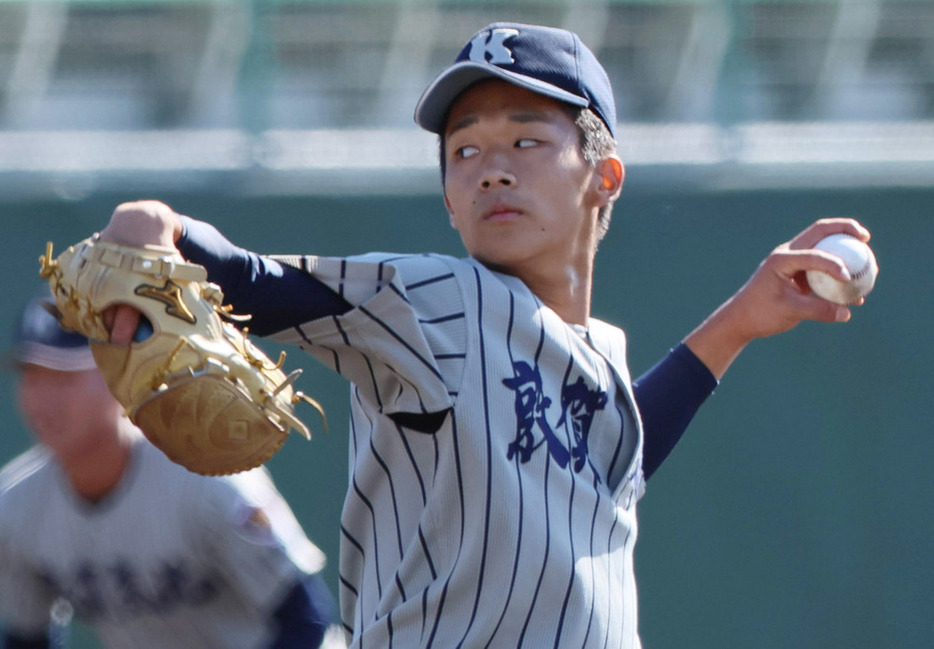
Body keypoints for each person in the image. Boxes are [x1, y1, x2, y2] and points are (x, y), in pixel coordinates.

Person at [74, 22, 870, 649]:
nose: (492, 167)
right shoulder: (434, 301)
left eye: (526, 140)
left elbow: (611, 468)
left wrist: (740, 321)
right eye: (465, 151)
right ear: (450, 200)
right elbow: (260, 283)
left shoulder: (600, 359)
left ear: (605, 175)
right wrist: (160, 228)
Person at [0, 295, 342, 649]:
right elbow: (27, 638)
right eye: (32, 376)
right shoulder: (16, 506)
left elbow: (306, 618)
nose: (43, 400)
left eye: (64, 377)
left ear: (124, 377)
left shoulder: (203, 476)